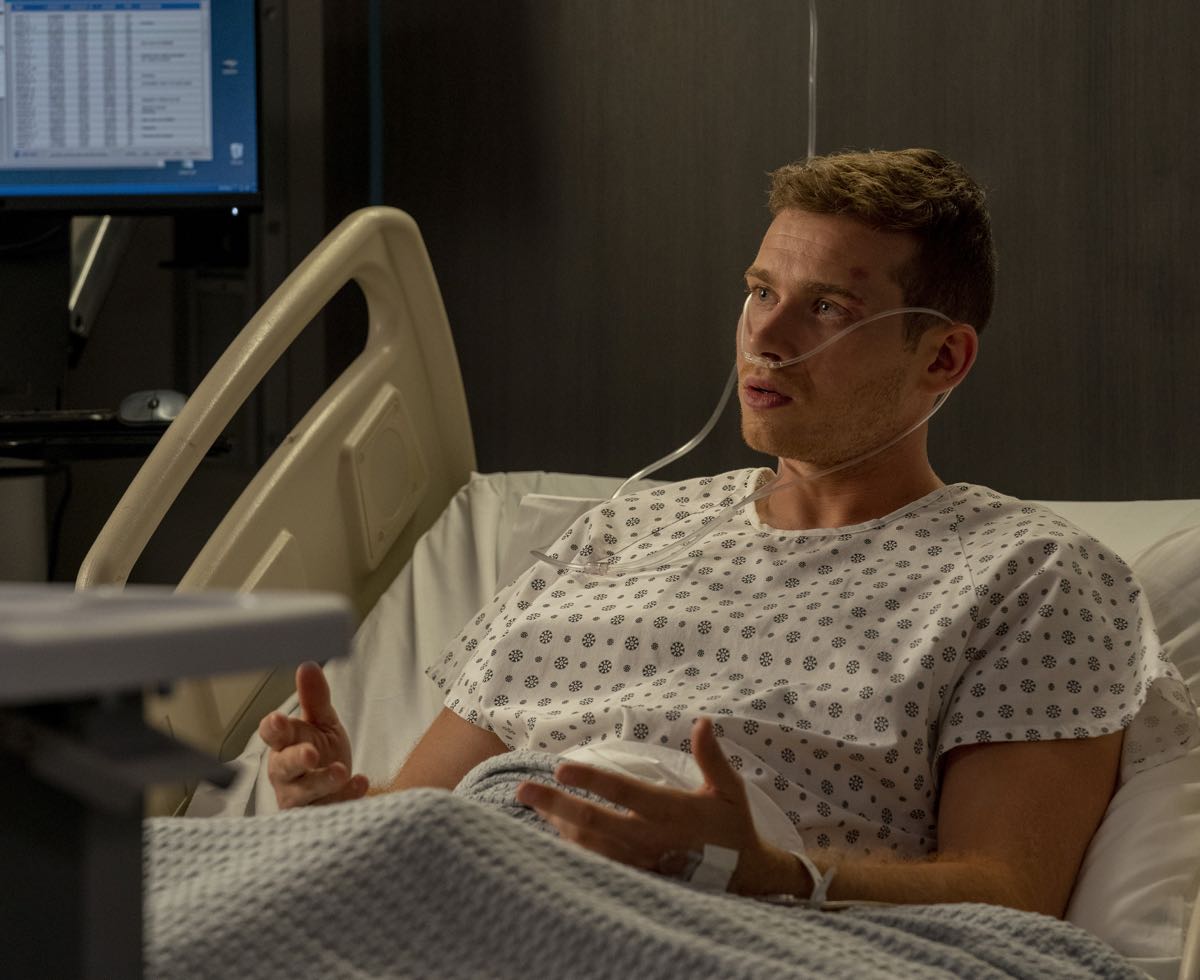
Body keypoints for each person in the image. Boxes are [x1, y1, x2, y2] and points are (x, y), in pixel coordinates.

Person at [258, 148, 1198, 918]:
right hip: (460, 883)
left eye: (827, 307)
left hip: (719, 926)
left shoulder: (1029, 575)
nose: (766, 338)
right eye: (759, 291)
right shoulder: (623, 528)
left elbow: (1009, 894)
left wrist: (766, 873)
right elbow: (413, 819)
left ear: (943, 357)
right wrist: (333, 808)